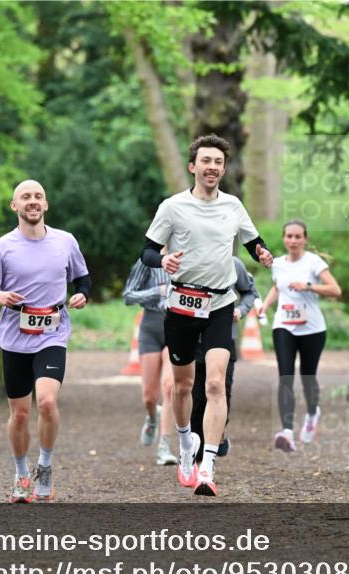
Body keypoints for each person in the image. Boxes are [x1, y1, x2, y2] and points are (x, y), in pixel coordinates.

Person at [140, 134, 273, 496]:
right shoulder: (173, 207)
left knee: (215, 383)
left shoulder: (233, 205)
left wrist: (261, 252)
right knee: (181, 386)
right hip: (182, 304)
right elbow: (148, 251)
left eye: (218, 162)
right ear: (192, 166)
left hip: (219, 304)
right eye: (206, 161)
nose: (212, 167)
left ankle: (207, 467)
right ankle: (185, 444)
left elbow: (252, 240)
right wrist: (163, 260)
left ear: (223, 168)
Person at [0, 179, 90, 502]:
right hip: (14, 338)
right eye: (26, 197)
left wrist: (82, 294)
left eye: (38, 196)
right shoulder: (1, 247)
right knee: (20, 414)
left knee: (48, 402)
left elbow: (82, 277)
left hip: (53, 332)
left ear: (46, 204)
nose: (33, 201)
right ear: (15, 206)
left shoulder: (65, 241)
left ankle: (45, 467)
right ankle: (21, 473)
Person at [254, 219, 341, 452]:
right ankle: (287, 432)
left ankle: (313, 414)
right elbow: (277, 286)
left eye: (297, 236)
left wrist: (309, 286)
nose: (292, 240)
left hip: (312, 328)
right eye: (289, 236)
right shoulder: (278, 264)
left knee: (308, 377)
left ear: (305, 239)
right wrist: (265, 305)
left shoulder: (314, 262)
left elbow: (335, 290)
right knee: (285, 376)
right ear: (284, 239)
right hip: (284, 325)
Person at [190, 257, 260, 460]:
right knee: (196, 398)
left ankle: (218, 434)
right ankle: (197, 452)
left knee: (221, 392)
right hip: (194, 339)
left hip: (223, 340)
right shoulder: (191, 262)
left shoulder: (233, 264)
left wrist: (240, 310)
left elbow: (250, 292)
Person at [123, 259, 178, 465]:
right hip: (151, 327)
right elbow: (128, 296)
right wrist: (158, 291)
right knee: (149, 397)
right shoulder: (147, 261)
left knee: (170, 386)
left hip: (176, 327)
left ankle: (164, 446)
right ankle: (152, 417)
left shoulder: (190, 257)